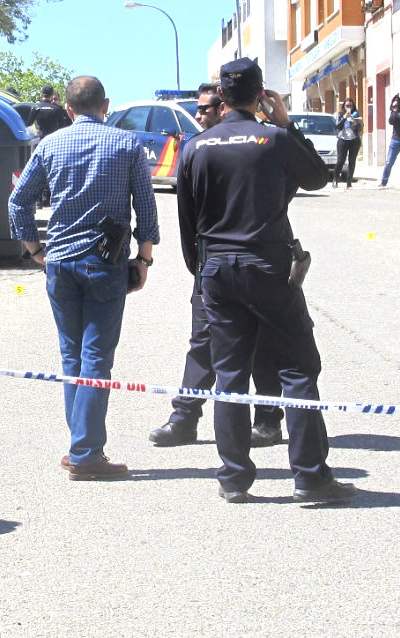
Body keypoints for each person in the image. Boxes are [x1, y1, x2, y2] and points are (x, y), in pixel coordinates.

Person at [176, 57, 356, 503]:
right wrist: (287, 124)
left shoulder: (196, 147)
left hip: (216, 267)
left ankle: (233, 478)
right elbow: (318, 177)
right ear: (261, 95)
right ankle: (311, 478)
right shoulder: (273, 138)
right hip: (267, 265)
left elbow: (187, 220)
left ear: (222, 97)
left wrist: (200, 272)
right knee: (297, 368)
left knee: (230, 375)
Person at [9, 75, 158, 481]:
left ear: (69, 110)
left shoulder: (50, 145)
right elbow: (146, 206)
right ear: (105, 105)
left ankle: (79, 445)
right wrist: (143, 259)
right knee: (95, 359)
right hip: (105, 265)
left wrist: (34, 250)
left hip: (60, 264)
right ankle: (86, 454)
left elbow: (18, 202)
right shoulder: (126, 145)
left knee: (72, 356)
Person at [149, 82, 284, 449]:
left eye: (205, 109)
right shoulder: (195, 151)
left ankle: (269, 419)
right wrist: (199, 267)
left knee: (263, 343)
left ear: (223, 107)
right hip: (213, 267)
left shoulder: (262, 143)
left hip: (258, 262)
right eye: (198, 109)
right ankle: (185, 416)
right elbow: (186, 218)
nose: (199, 116)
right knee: (203, 342)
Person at [332, 98, 363, 189]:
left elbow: (359, 129)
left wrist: (354, 121)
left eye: (351, 106)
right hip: (343, 139)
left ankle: (349, 182)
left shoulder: (356, 115)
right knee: (340, 160)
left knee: (352, 161)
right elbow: (338, 127)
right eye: (347, 106)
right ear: (344, 107)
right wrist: (345, 117)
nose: (349, 107)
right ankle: (335, 180)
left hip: (354, 140)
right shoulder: (340, 115)